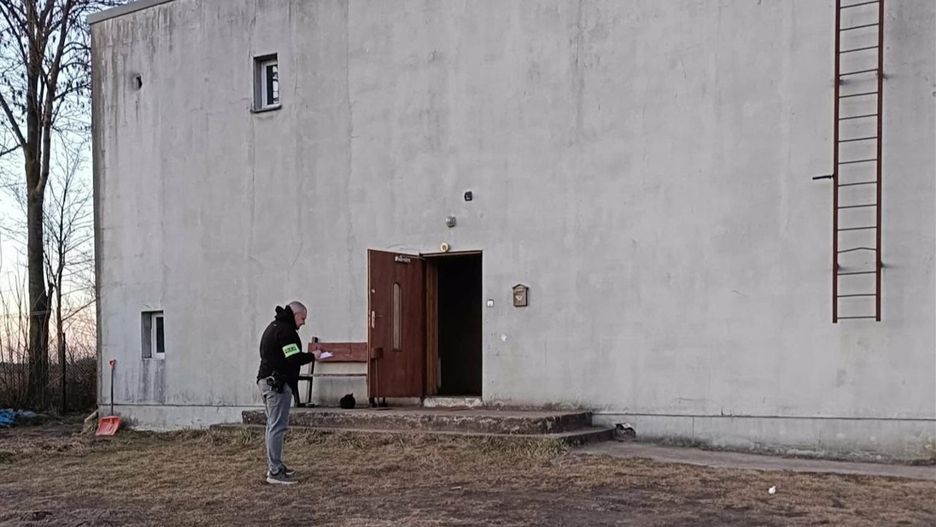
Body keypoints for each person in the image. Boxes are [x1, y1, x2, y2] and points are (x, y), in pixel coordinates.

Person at [256, 301, 315, 485]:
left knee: (272, 426)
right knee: (277, 427)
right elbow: (293, 357)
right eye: (303, 318)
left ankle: (276, 466)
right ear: (295, 314)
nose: (303, 322)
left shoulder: (275, 327)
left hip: (266, 381)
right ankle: (275, 471)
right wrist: (313, 356)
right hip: (277, 385)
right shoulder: (286, 331)